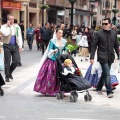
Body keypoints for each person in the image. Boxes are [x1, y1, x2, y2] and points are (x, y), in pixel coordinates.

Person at [90, 18, 119, 98]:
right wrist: (92, 57)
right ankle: (109, 91)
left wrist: (118, 55)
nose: (104, 25)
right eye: (103, 24)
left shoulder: (114, 33)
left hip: (110, 56)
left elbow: (116, 46)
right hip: (102, 56)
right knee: (107, 74)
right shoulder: (98, 33)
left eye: (106, 24)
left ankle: (99, 87)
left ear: (110, 24)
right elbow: (93, 46)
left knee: (105, 73)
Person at [33, 29, 67, 96]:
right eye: (59, 33)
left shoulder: (64, 41)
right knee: (51, 75)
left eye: (62, 33)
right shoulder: (52, 41)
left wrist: (68, 50)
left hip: (60, 60)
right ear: (56, 33)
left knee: (61, 75)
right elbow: (50, 50)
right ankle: (49, 90)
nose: (61, 35)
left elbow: (64, 49)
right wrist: (54, 50)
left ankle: (60, 89)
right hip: (53, 59)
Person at [0, 14, 22, 82]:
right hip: (7, 45)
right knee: (7, 62)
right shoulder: (3, 27)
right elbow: (5, 33)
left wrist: (20, 46)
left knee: (16, 61)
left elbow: (19, 36)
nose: (12, 20)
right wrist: (9, 26)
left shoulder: (17, 26)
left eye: (12, 19)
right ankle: (7, 76)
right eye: (10, 19)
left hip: (15, 45)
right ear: (8, 20)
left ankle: (9, 73)